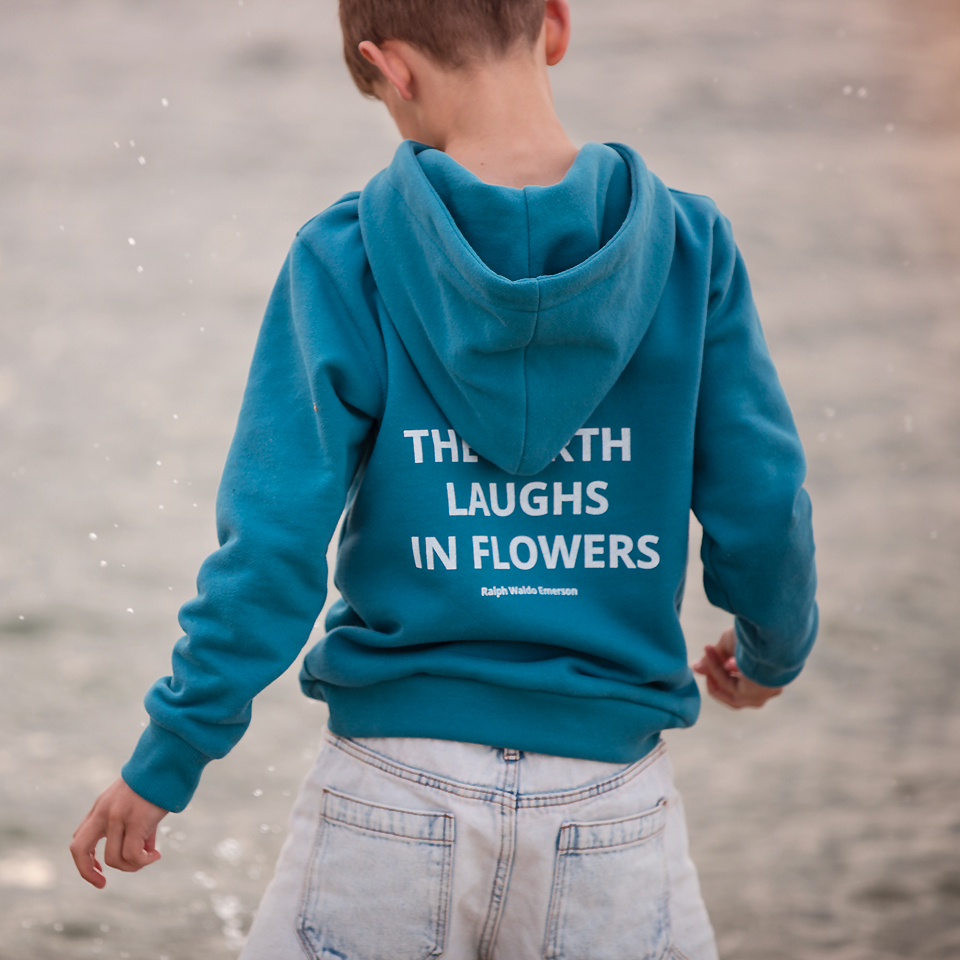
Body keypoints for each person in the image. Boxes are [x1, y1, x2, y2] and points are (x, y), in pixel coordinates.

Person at [70, 1, 818, 957]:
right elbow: (763, 505)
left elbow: (272, 547)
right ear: (554, 24)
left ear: (391, 68)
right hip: (609, 801)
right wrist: (769, 652)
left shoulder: (345, 256)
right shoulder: (688, 251)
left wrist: (170, 753)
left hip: (390, 791)